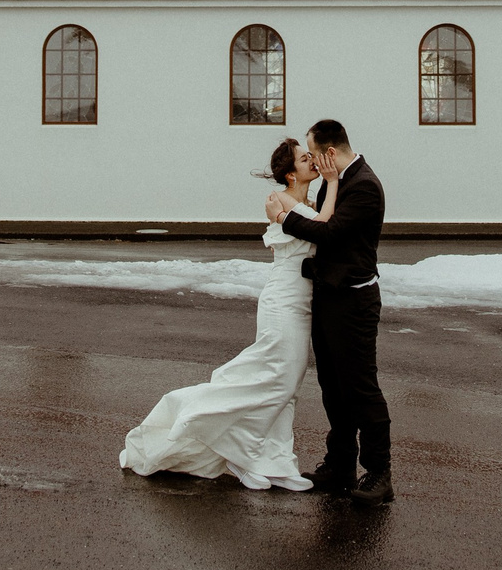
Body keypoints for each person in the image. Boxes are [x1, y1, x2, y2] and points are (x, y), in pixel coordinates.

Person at [119, 137, 334, 490]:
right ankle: (240, 453)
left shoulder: (305, 202)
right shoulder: (280, 201)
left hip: (301, 301)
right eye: (305, 158)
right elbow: (324, 228)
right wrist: (335, 181)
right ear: (290, 173)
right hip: (282, 301)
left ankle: (275, 460)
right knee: (281, 378)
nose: (312, 161)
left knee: (287, 385)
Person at [267, 118, 392, 505]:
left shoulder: (365, 187)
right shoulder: (333, 183)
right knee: (333, 389)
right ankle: (340, 463)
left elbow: (330, 233)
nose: (314, 164)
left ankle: (379, 473)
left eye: (314, 154)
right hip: (327, 297)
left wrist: (285, 218)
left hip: (354, 303)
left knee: (360, 387)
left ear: (330, 154)